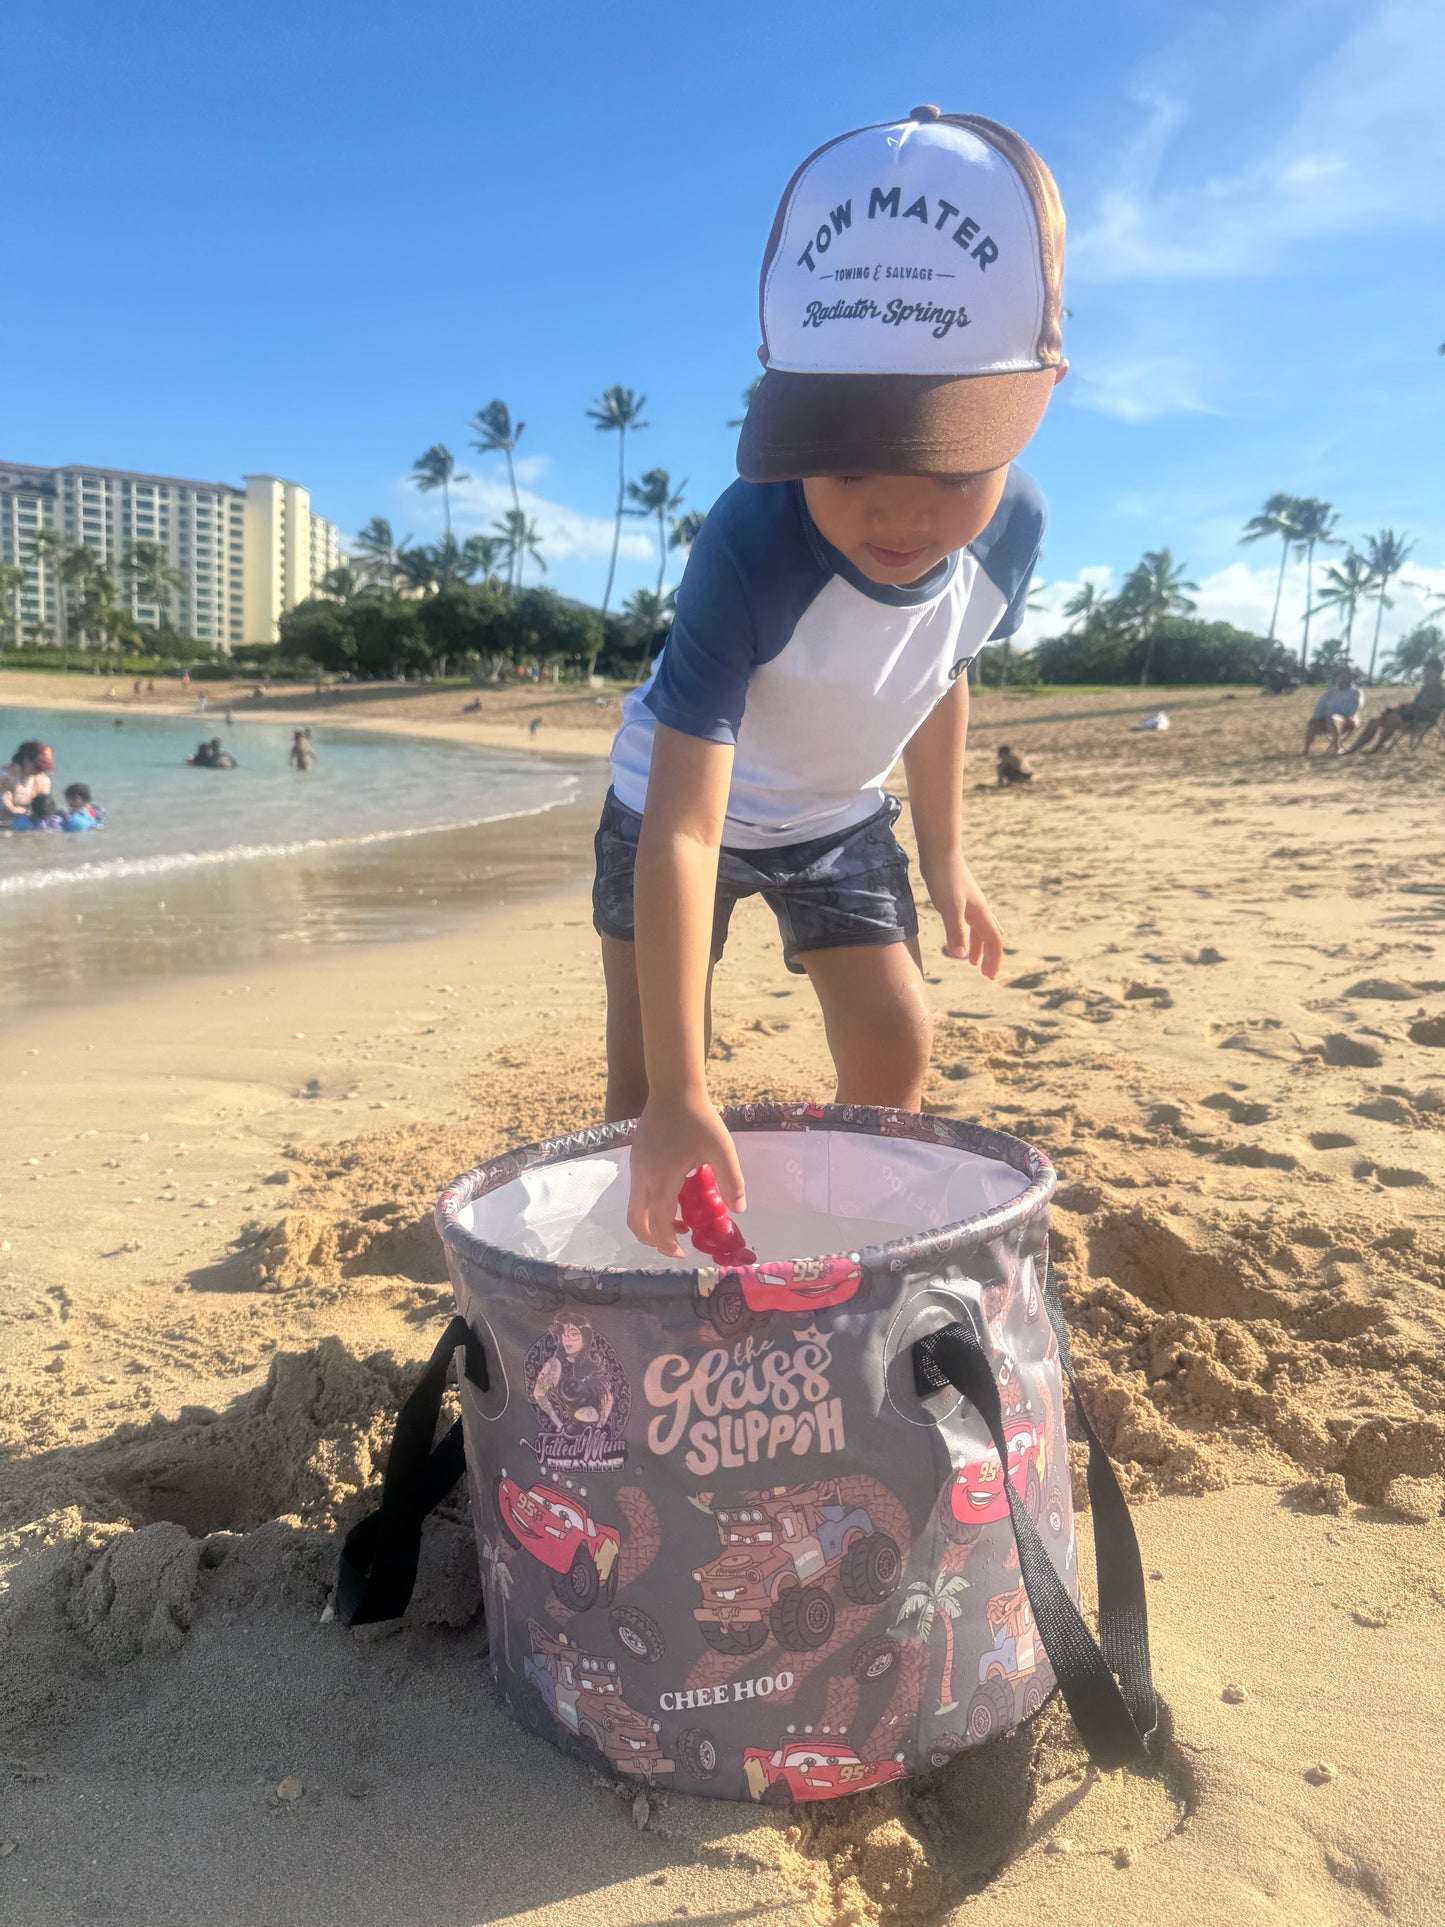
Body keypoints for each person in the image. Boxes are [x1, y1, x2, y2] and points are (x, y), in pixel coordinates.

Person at [597, 106, 1065, 1252]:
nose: (900, 511)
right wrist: (680, 1094)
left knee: (896, 1036)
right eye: (848, 462)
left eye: (950, 467)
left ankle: (853, 1236)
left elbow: (937, 674)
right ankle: (639, 1258)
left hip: (836, 815)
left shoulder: (1012, 530)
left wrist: (947, 859)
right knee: (645, 1076)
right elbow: (684, 835)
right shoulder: (747, 547)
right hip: (676, 814)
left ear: (1035, 395)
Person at [1343, 659, 1444, 754]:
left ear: (1436, 673)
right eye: (1425, 671)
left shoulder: (1439, 691)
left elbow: (1427, 707)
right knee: (1374, 722)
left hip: (1422, 721)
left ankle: (1377, 746)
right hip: (1410, 717)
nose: (1425, 674)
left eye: (1427, 671)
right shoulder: (1426, 688)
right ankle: (1355, 747)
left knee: (1393, 718)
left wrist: (1410, 707)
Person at [1303, 668, 1364, 754]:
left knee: (1332, 719)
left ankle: (1337, 747)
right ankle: (1306, 749)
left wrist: (1346, 717)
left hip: (1347, 719)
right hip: (1328, 718)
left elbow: (1356, 707)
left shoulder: (1355, 692)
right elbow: (1321, 705)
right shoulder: (1331, 691)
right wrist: (1316, 717)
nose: (1343, 678)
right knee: (1313, 723)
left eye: (1346, 676)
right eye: (1341, 675)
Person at [0, 741, 54, 827]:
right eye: (38, 766)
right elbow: (5, 806)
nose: (41, 770)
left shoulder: (43, 781)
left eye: (44, 768)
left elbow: (41, 808)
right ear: (25, 759)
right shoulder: (5, 775)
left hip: (23, 823)